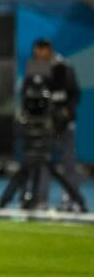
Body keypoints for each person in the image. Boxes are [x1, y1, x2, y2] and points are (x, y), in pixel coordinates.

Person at [25, 39, 82, 211]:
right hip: (44, 122)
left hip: (64, 123)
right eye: (36, 52)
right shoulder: (35, 67)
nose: (39, 55)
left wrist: (66, 112)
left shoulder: (63, 66)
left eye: (41, 51)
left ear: (48, 50)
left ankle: (71, 198)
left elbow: (74, 94)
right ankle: (41, 198)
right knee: (43, 159)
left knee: (68, 161)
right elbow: (28, 93)